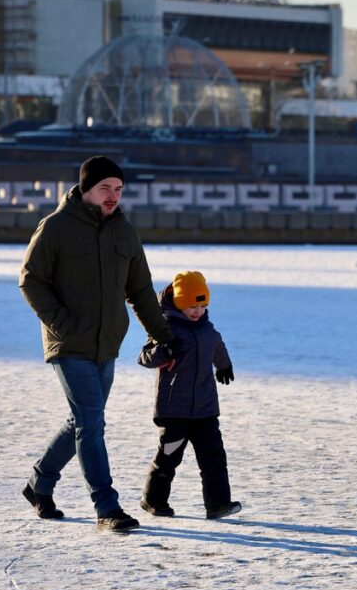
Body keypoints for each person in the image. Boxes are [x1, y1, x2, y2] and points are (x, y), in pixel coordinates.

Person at [19, 155, 177, 532]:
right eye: (105, 188)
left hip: (106, 344)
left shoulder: (125, 232)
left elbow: (140, 291)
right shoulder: (56, 227)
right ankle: (106, 506)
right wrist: (61, 322)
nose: (113, 196)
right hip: (68, 344)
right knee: (91, 423)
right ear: (86, 189)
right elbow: (31, 279)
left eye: (118, 189)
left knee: (82, 420)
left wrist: (165, 338)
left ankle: (39, 484)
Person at [138, 271, 241, 520]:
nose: (198, 311)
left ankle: (218, 504)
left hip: (205, 408)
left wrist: (224, 365)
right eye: (192, 306)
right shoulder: (165, 328)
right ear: (179, 302)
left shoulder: (206, 328)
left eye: (202, 306)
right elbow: (144, 357)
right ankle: (153, 500)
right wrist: (164, 351)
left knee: (214, 457)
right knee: (169, 456)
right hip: (175, 409)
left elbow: (217, 345)